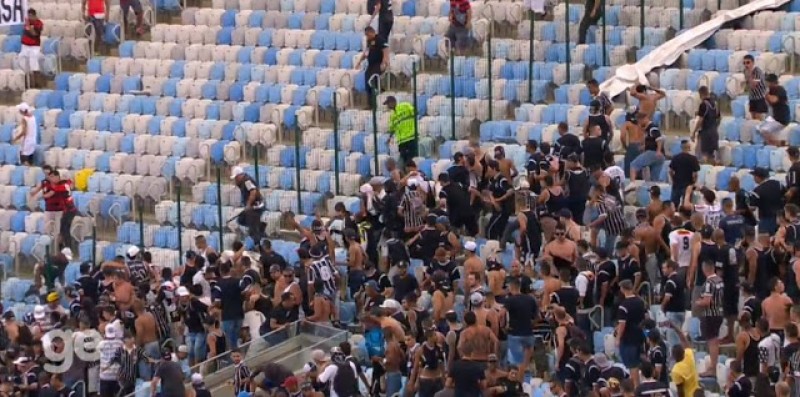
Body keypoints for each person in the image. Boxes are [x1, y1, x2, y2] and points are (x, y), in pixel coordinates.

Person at [231, 166, 266, 246]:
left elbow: (253, 192)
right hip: (251, 207)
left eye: (236, 178)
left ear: (240, 175)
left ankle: (257, 243)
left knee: (253, 229)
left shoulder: (247, 181)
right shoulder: (243, 181)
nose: (235, 180)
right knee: (241, 220)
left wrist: (248, 204)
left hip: (255, 207)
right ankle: (260, 226)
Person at [355, 26, 389, 110]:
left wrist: (384, 62)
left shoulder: (380, 39)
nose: (367, 36)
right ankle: (370, 104)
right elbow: (366, 52)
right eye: (366, 35)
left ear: (372, 32)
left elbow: (385, 49)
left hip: (378, 64)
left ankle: (379, 95)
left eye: (368, 35)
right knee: (367, 82)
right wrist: (359, 61)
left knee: (372, 80)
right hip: (371, 65)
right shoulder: (369, 41)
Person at [629, 113, 665, 184]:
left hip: (653, 152)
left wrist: (658, 150)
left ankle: (632, 183)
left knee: (633, 165)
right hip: (660, 156)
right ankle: (654, 188)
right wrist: (643, 147)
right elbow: (652, 141)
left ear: (643, 119)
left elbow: (659, 139)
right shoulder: (648, 129)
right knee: (654, 177)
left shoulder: (652, 127)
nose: (639, 123)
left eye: (639, 121)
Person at [385, 96, 417, 168]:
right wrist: (389, 138)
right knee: (404, 159)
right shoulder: (392, 115)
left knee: (411, 159)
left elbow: (415, 112)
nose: (387, 106)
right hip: (401, 141)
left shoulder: (405, 106)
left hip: (410, 137)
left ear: (393, 102)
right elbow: (393, 128)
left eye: (388, 104)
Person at [691, 86, 720, 163]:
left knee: (702, 155)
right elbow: (719, 118)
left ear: (701, 94)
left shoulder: (703, 104)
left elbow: (700, 120)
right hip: (714, 131)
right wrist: (715, 126)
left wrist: (694, 132)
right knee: (711, 155)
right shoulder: (715, 104)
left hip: (705, 133)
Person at [19, 9, 43, 88]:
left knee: (34, 64)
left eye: (31, 16)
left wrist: (29, 27)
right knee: (23, 64)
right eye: (28, 16)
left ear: (34, 16)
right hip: (25, 45)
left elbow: (35, 34)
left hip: (34, 46)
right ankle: (26, 83)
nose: (29, 17)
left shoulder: (39, 23)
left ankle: (37, 84)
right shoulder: (25, 22)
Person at [744, 54, 768, 120]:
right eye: (744, 63)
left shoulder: (757, 71)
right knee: (753, 119)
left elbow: (753, 85)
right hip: (752, 97)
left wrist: (749, 75)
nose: (746, 65)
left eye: (748, 62)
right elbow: (747, 86)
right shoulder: (745, 71)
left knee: (758, 119)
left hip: (760, 97)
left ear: (753, 62)